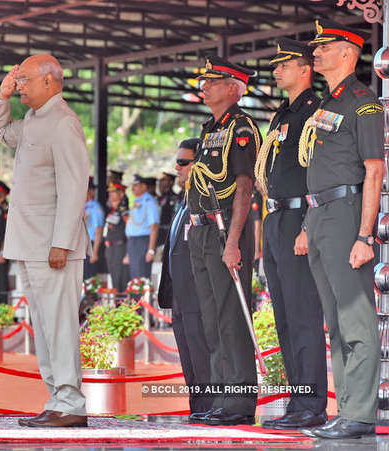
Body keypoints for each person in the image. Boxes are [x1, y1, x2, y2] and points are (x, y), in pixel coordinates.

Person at [0, 53, 90, 428]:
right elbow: (1, 133)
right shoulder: (34, 119)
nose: (20, 86)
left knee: (59, 324)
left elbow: (74, 185)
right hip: (31, 242)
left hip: (52, 245)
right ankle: (58, 399)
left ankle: (71, 402)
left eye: (26, 80)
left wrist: (62, 241)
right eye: (18, 80)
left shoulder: (63, 123)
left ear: (50, 81)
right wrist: (2, 98)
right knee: (44, 327)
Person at [299, 20, 383, 439]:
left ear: (348, 52)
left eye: (324, 46)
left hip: (347, 214)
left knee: (356, 319)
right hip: (318, 217)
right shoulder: (326, 103)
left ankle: (360, 413)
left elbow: (374, 170)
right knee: (335, 321)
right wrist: (305, 224)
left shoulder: (363, 102)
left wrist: (365, 236)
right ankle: (346, 409)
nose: (315, 52)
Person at [254, 38, 329, 430]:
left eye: (284, 65)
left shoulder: (315, 111)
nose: (276, 71)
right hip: (276, 220)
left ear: (305, 70)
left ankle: (311, 406)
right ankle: (296, 402)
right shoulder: (282, 114)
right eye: (275, 66)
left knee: (303, 315)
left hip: (299, 220)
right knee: (283, 316)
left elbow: (317, 171)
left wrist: (307, 225)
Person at [186, 56, 261, 426]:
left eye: (213, 81)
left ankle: (238, 403)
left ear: (234, 88)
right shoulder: (209, 127)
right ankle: (221, 398)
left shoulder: (242, 127)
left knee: (231, 316)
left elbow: (245, 187)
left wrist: (233, 241)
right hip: (200, 230)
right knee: (212, 318)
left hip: (225, 229)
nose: (204, 86)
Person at [157, 138, 212, 416]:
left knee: (201, 351)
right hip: (179, 291)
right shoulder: (184, 199)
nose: (177, 168)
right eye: (177, 162)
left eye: (183, 162)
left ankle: (207, 406)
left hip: (197, 288)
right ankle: (197, 407)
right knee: (188, 354)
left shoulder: (205, 198)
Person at [124, 174, 159, 279]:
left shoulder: (150, 202)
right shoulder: (136, 201)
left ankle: (142, 296)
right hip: (133, 242)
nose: (132, 188)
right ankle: (136, 296)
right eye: (132, 185)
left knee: (141, 275)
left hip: (143, 241)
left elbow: (154, 226)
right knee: (134, 274)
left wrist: (151, 250)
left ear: (144, 187)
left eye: (136, 185)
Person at [104, 182, 130, 293]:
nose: (110, 195)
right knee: (114, 278)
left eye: (113, 192)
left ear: (121, 194)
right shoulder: (111, 211)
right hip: (110, 248)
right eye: (110, 193)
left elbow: (130, 231)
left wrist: (128, 252)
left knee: (121, 279)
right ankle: (116, 307)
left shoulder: (124, 211)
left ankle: (122, 307)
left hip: (120, 248)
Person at [84, 177, 105, 279]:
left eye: (87, 189)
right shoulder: (82, 205)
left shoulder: (95, 207)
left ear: (92, 192)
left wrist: (94, 252)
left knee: (90, 276)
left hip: (91, 244)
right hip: (81, 244)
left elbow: (99, 231)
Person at [156, 172, 180, 252]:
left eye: (163, 180)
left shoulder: (174, 198)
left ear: (171, 182)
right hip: (157, 234)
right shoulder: (159, 198)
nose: (160, 182)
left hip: (167, 234)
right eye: (160, 180)